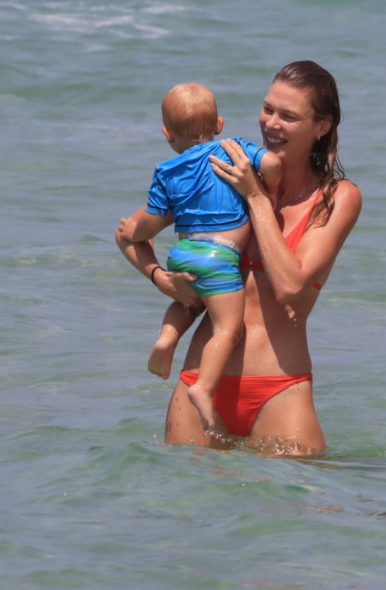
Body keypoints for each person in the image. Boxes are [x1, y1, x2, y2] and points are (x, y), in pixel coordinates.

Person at [118, 61, 361, 456]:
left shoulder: (336, 199)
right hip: (200, 380)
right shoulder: (221, 172)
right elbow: (130, 233)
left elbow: (291, 285)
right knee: (182, 493)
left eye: (288, 116)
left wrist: (255, 197)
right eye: (267, 109)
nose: (271, 124)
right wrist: (159, 277)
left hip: (279, 387)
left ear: (321, 125)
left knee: (308, 491)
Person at [117, 82, 282, 431]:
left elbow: (148, 223)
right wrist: (261, 188)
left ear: (167, 133)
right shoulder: (232, 149)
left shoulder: (166, 171)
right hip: (219, 256)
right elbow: (271, 163)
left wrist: (134, 231)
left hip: (182, 253)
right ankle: (204, 388)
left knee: (190, 301)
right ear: (219, 124)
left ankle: (168, 337)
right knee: (228, 328)